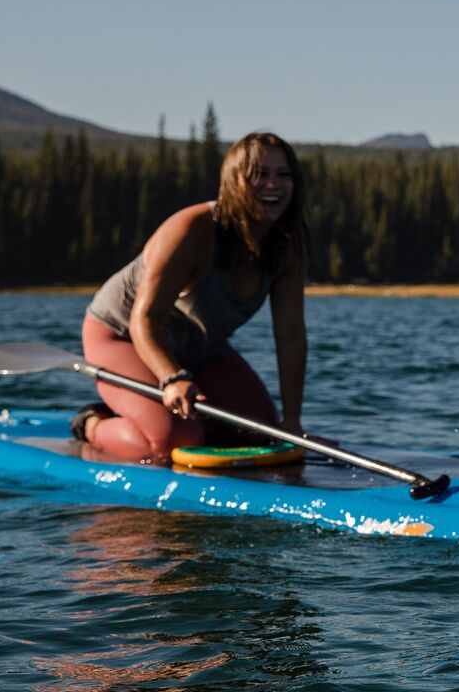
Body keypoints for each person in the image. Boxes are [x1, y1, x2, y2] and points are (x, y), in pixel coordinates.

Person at [74, 132, 309, 462]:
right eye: (259, 174)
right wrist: (172, 378)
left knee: (263, 434)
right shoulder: (192, 229)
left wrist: (292, 422)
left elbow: (290, 336)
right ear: (234, 182)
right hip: (123, 336)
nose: (272, 184)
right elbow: (145, 319)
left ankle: (167, 415)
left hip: (199, 350)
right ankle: (94, 423)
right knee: (174, 442)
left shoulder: (287, 247)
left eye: (283, 175)